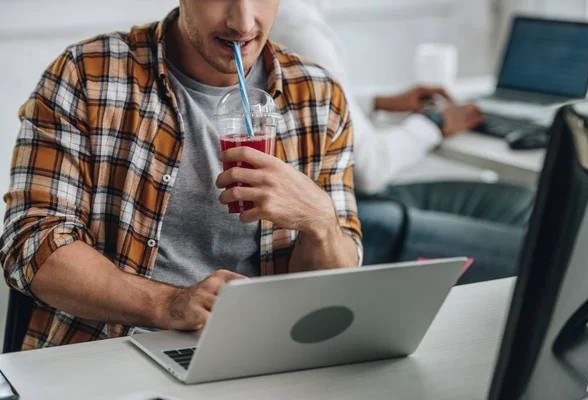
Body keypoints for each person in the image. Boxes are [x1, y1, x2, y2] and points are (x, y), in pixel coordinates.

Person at [0, 1, 362, 350]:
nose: (244, 22)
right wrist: (169, 304)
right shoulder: (86, 74)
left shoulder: (319, 95)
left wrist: (322, 223)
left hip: (261, 354)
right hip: (104, 355)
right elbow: (32, 246)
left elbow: (335, 286)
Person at [271, 0, 534, 284]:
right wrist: (435, 124)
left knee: (523, 202)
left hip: (361, 201)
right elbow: (370, 169)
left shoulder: (301, 16)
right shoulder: (294, 25)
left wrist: (378, 102)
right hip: (357, 214)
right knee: (538, 255)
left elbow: (314, 101)